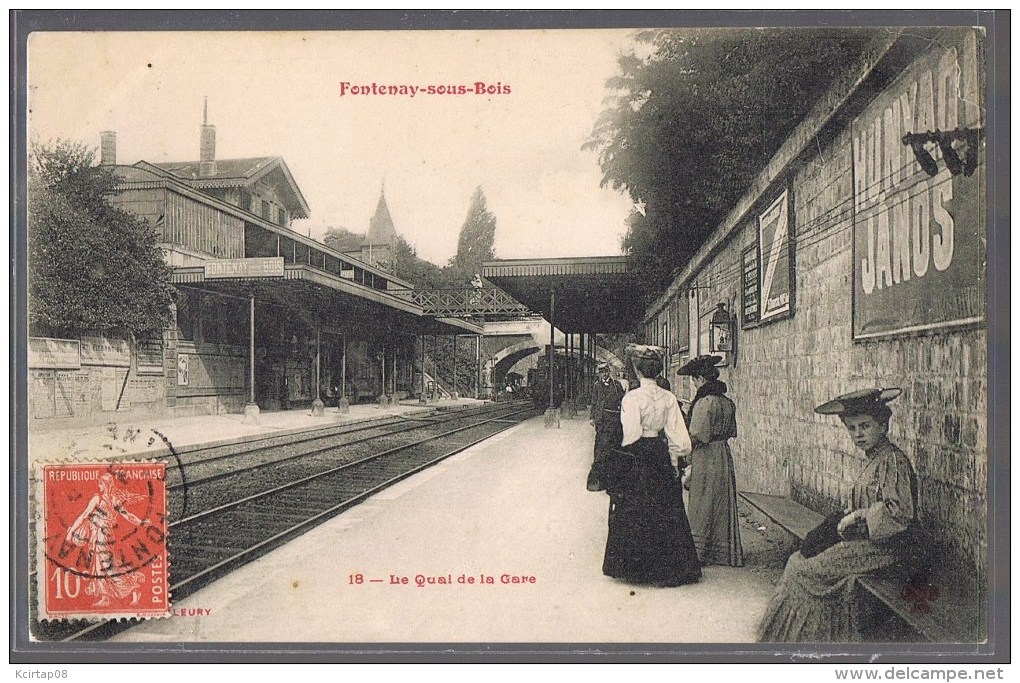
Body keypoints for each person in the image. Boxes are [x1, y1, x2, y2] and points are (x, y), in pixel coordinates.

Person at [757, 387, 923, 642]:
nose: (858, 434)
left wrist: (860, 516)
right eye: (852, 428)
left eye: (865, 426)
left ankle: (815, 641)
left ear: (883, 425)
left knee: (807, 572)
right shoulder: (874, 458)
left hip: (888, 548)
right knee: (797, 560)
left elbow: (899, 515)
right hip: (867, 542)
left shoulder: (892, 461)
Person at [602, 345, 701, 587]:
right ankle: (668, 567)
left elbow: (631, 434)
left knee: (636, 508)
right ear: (658, 371)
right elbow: (682, 441)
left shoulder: (632, 398)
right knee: (666, 509)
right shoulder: (669, 398)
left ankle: (638, 569)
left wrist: (622, 459)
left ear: (637, 370)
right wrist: (674, 458)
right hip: (659, 453)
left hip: (638, 455)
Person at [678, 355, 743, 567]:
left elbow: (696, 434)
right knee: (721, 501)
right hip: (723, 453)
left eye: (695, 380)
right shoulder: (727, 402)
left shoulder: (705, 403)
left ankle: (700, 552)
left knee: (702, 501)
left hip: (705, 455)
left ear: (701, 379)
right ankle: (724, 552)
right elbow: (732, 431)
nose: (694, 384)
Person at [64, 473, 149, 606]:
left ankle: (132, 589)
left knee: (106, 567)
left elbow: (84, 515)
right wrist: (141, 523)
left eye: (101, 483)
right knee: (103, 565)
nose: (99, 486)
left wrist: (72, 531)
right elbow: (128, 516)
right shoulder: (114, 499)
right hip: (105, 534)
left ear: (106, 484)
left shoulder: (97, 499)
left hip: (101, 536)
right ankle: (106, 597)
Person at [587, 362, 625, 492]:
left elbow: (622, 401)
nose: (603, 374)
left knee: (610, 446)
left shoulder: (616, 385)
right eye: (601, 372)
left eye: (605, 371)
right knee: (599, 446)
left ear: (609, 372)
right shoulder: (597, 386)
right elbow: (594, 402)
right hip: (600, 421)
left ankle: (608, 477)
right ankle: (598, 477)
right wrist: (592, 417)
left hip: (612, 421)